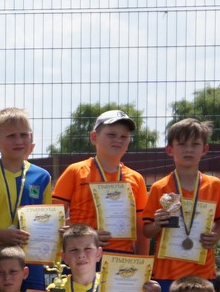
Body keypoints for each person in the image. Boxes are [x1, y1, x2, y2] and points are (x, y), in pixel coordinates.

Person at [140, 117, 220, 292]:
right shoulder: (159, 187)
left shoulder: (214, 185)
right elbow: (147, 231)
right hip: (167, 270)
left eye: (195, 144)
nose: (188, 150)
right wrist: (157, 223)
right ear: (170, 149)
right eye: (182, 144)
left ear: (204, 149)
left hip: (202, 269)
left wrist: (215, 236)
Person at [0, 107, 53, 292]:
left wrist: (58, 230)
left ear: (31, 137)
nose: (19, 141)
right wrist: (3, 235)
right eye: (11, 136)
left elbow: (47, 222)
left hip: (31, 268)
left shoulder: (42, 177)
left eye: (24, 135)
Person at [50, 108, 148, 255]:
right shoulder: (75, 171)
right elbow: (53, 220)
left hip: (121, 259)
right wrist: (86, 235)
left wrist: (142, 263)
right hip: (81, 257)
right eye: (111, 135)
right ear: (94, 137)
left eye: (124, 136)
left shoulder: (136, 179)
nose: (118, 140)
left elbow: (141, 228)